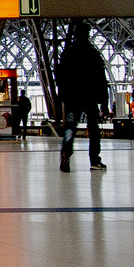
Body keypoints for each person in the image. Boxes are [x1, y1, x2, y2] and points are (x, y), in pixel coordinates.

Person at [55, 24, 109, 171]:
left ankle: (66, 153)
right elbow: (101, 78)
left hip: (72, 98)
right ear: (87, 35)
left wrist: (63, 96)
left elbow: (59, 76)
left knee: (70, 128)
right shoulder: (93, 53)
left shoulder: (67, 53)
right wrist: (104, 102)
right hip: (89, 97)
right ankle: (94, 160)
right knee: (93, 129)